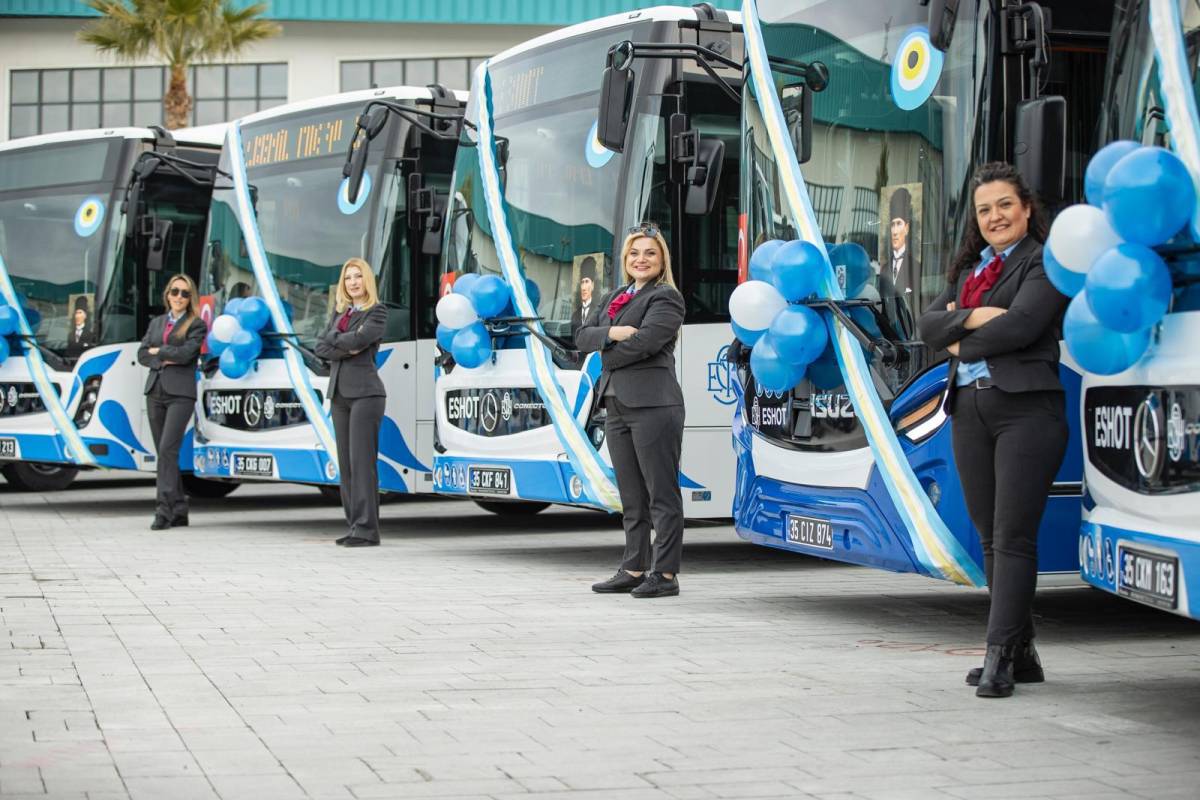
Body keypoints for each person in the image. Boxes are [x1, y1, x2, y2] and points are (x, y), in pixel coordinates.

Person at [917, 162, 1069, 698]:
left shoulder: (1045, 262)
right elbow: (926, 325)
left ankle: (999, 654)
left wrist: (961, 331)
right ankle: (1023, 651)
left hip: (1027, 410)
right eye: (985, 209)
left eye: (1005, 204)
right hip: (969, 409)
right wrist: (980, 317)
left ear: (1027, 209)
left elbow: (1025, 326)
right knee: (987, 535)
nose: (995, 216)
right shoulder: (969, 270)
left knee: (1013, 535)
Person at [576, 224, 686, 598]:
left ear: (661, 260)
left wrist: (606, 345)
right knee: (631, 495)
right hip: (617, 404)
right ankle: (634, 566)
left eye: (650, 253)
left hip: (654, 403)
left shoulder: (666, 298)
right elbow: (580, 336)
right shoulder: (615, 296)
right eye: (635, 253)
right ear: (625, 260)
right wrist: (614, 333)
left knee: (661, 493)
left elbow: (646, 343)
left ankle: (666, 574)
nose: (642, 259)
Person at [314, 257, 388, 548]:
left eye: (358, 277)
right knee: (346, 465)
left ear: (366, 280)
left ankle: (368, 530)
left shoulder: (377, 311)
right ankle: (355, 525)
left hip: (366, 395)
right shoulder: (339, 315)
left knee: (362, 464)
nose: (353, 282)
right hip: (340, 396)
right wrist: (348, 342)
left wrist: (339, 342)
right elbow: (321, 347)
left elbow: (364, 339)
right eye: (348, 278)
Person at [138, 275, 207, 531]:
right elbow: (143, 353)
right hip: (155, 390)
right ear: (167, 294)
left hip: (181, 394)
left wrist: (161, 351)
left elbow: (187, 353)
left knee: (168, 450)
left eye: (185, 294)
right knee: (164, 453)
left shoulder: (196, 324)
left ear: (190, 299)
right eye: (175, 291)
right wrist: (162, 357)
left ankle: (163, 511)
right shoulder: (156, 323)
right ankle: (179, 508)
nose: (179, 297)